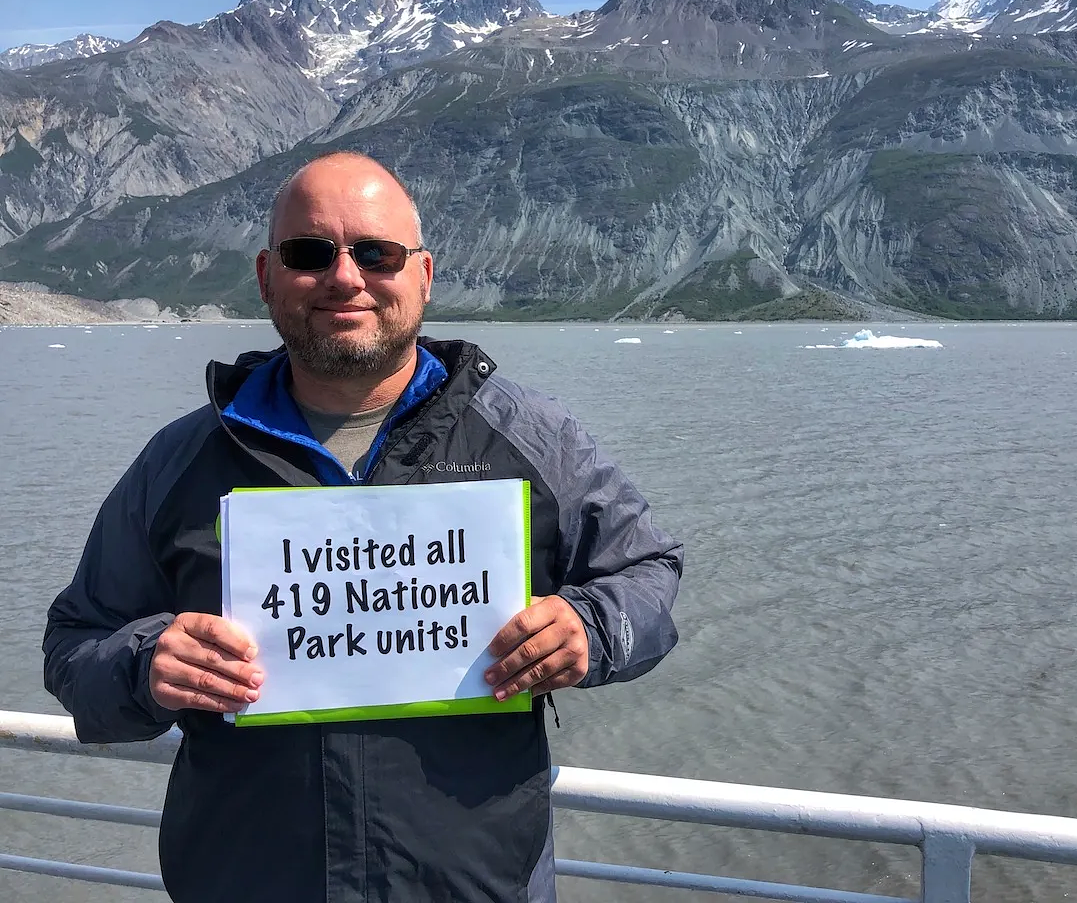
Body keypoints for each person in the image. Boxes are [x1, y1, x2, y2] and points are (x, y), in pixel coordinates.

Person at [42, 151, 683, 903]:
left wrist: (591, 627)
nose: (344, 278)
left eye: (376, 253)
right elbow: (73, 647)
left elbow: (647, 574)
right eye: (310, 253)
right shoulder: (180, 461)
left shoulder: (530, 439)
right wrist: (145, 665)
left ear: (423, 275)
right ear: (265, 277)